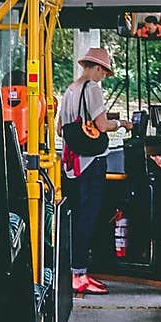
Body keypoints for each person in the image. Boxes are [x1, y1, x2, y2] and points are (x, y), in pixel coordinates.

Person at [58, 47, 132, 295]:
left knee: (77, 216)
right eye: (104, 71)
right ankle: (79, 274)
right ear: (97, 68)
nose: (104, 77)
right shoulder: (92, 89)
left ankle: (75, 272)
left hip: (72, 165)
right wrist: (121, 123)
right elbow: (101, 125)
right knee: (88, 218)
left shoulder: (70, 90)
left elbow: (61, 129)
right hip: (91, 163)